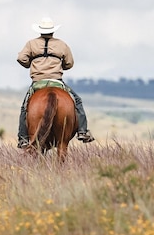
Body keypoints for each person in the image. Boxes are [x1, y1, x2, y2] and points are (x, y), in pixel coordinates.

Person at [16, 16, 95, 148]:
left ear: (40, 31)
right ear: (53, 31)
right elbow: (69, 63)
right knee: (77, 101)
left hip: (38, 83)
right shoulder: (62, 45)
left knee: (25, 107)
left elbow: (20, 58)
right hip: (56, 82)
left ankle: (23, 138)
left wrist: (30, 63)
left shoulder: (31, 44)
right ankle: (82, 131)